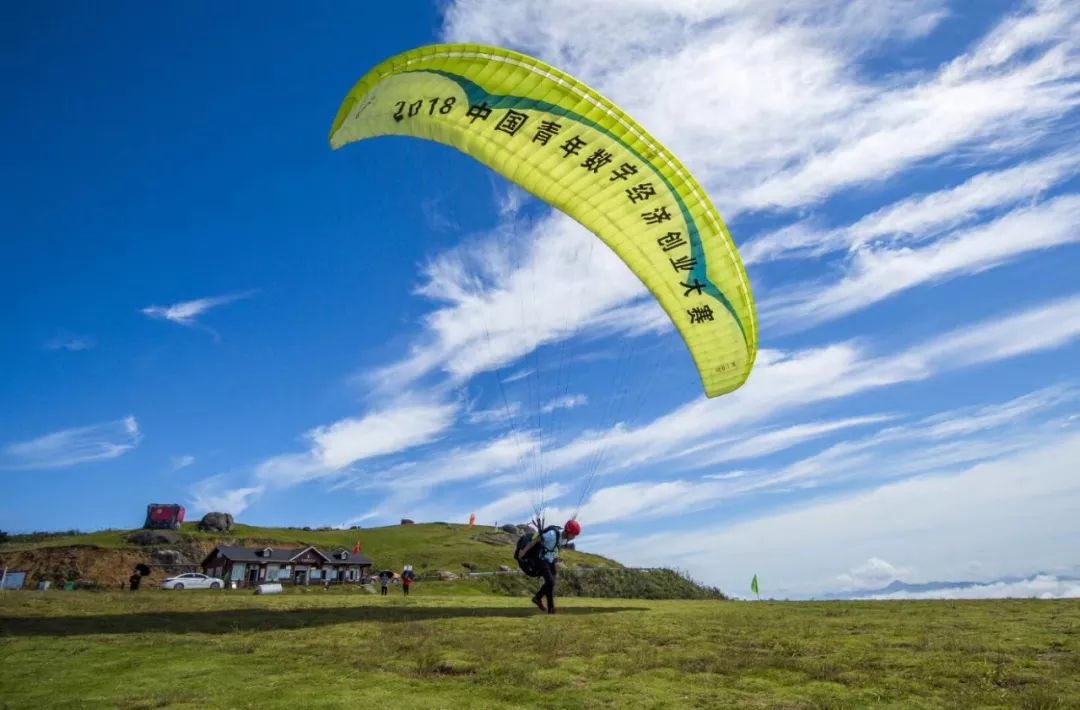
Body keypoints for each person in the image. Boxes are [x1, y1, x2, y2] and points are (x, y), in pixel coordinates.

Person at [518, 519, 580, 614]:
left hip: (550, 561)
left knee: (551, 582)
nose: (574, 537)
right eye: (574, 535)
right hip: (541, 559)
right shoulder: (552, 534)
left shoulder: (564, 539)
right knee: (550, 582)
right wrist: (523, 552)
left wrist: (556, 558)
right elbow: (536, 540)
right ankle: (551, 609)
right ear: (568, 532)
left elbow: (554, 548)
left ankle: (537, 598)